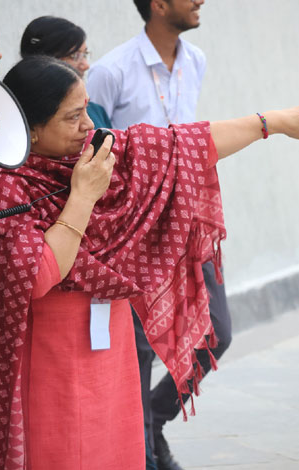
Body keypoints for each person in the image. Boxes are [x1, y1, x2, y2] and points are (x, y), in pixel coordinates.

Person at [0, 55, 299, 470]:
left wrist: (271, 122)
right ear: (31, 131)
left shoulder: (97, 153)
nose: (88, 125)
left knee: (117, 449)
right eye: (73, 117)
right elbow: (40, 275)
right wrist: (82, 198)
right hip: (50, 362)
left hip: (112, 355)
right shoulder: (5, 188)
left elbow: (186, 144)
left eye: (87, 110)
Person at [86, 2, 231, 468]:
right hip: (141, 233)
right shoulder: (110, 71)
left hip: (187, 218)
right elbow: (96, 151)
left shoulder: (197, 60)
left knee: (218, 334)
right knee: (141, 352)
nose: (200, 1)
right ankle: (144, 456)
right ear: (159, 5)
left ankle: (154, 415)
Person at [20, 15, 111, 129]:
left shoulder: (96, 111)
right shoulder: (25, 116)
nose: (86, 65)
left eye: (85, 54)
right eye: (75, 56)